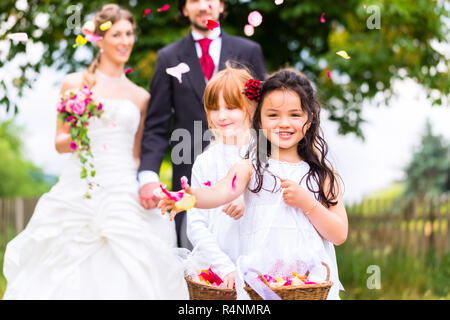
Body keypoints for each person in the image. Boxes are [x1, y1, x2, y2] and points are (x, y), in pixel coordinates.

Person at [2, 4, 188, 299]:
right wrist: (81, 129)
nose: (125, 41)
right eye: (117, 34)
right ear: (100, 39)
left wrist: (149, 186)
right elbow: (60, 142)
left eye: (129, 33)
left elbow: (139, 155)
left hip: (124, 185)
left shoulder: (141, 96)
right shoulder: (74, 84)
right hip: (81, 184)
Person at [158, 69, 347, 299]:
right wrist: (189, 198)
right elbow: (221, 192)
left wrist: (307, 203)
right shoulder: (250, 167)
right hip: (262, 287)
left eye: (295, 115)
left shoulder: (323, 175)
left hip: (309, 286)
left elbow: (338, 235)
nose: (284, 123)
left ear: (310, 119)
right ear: (258, 119)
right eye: (273, 115)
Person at [138, 0, 267, 249]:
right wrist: (148, 175)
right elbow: (157, 123)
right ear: (184, 9)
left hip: (247, 175)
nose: (203, 6)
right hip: (190, 169)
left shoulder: (249, 51)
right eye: (194, 0)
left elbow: (263, 113)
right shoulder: (168, 57)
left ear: (221, 5)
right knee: (195, 253)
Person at [187, 63, 257, 289]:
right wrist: (224, 266)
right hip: (219, 270)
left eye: (231, 107)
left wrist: (245, 196)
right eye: (214, 108)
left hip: (261, 264)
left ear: (250, 106)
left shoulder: (266, 154)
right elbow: (196, 223)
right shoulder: (205, 162)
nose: (222, 116)